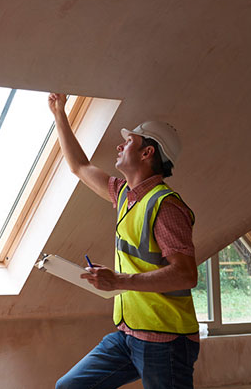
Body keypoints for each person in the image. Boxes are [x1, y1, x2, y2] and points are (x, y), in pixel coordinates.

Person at [48, 93, 200, 389]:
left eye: (129, 141)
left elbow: (186, 274)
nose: (119, 145)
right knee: (69, 386)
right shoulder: (124, 196)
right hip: (129, 335)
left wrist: (118, 280)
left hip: (165, 340)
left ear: (148, 153)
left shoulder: (165, 205)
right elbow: (79, 167)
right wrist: (59, 114)